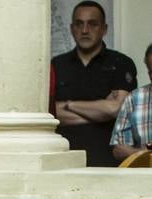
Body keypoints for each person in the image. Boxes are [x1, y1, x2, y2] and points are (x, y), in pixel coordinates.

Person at [50, 1, 138, 167]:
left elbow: (116, 109)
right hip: (64, 161)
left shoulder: (121, 63)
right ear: (71, 28)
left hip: (107, 161)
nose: (84, 30)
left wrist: (68, 105)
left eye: (92, 24)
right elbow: (52, 114)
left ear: (104, 29)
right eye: (79, 24)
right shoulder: (56, 65)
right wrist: (100, 111)